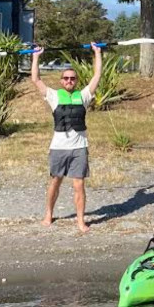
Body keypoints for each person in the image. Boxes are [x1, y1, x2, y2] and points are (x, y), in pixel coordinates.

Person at [30, 42, 102, 234]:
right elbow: (36, 79)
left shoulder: (84, 95)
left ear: (76, 81)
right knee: (55, 181)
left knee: (79, 185)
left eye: (72, 78)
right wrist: (36, 56)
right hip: (58, 148)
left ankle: (80, 221)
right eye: (66, 78)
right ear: (61, 81)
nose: (69, 81)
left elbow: (97, 76)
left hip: (79, 148)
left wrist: (97, 53)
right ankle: (48, 214)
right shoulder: (53, 95)